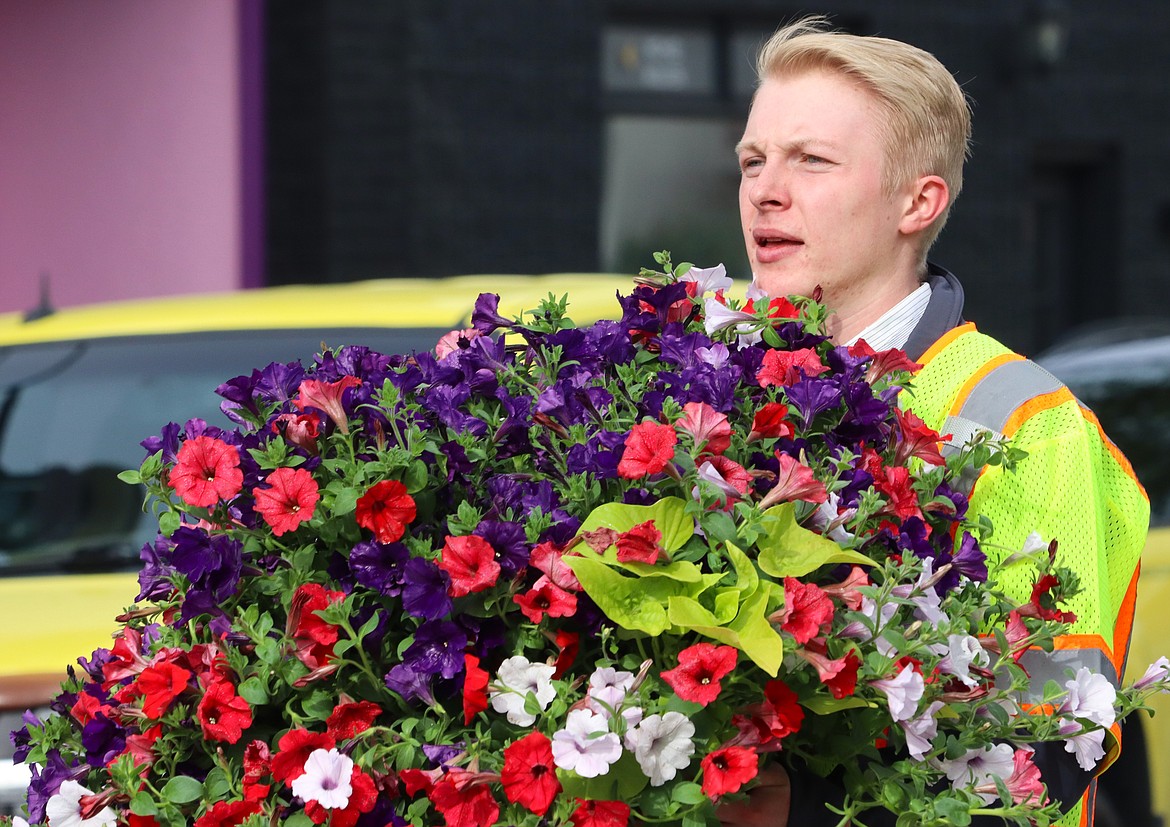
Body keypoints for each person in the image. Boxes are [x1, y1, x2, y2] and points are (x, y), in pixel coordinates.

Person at [721, 16, 1149, 827]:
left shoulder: (1028, 423)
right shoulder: (714, 395)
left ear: (919, 202)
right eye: (753, 159)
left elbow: (1044, 750)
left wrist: (795, 806)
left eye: (811, 159)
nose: (765, 188)